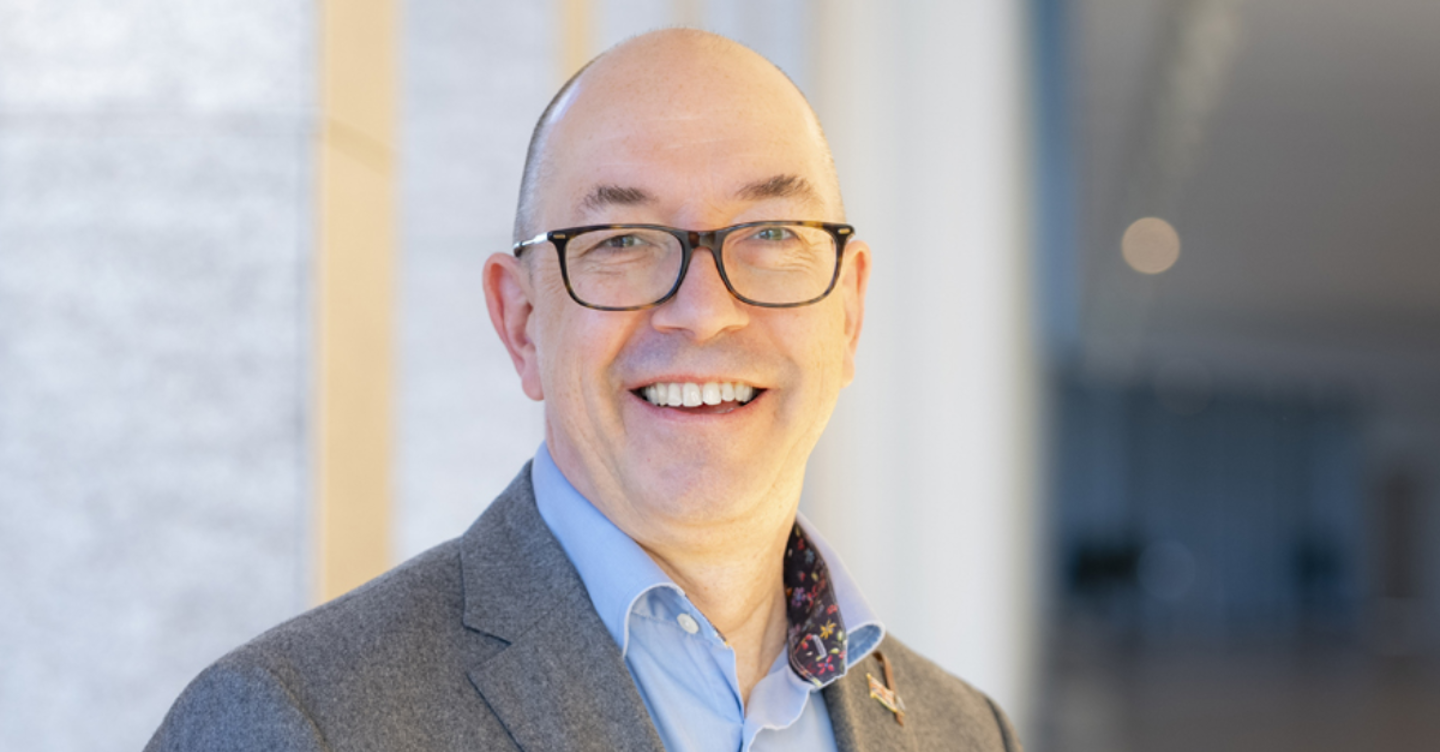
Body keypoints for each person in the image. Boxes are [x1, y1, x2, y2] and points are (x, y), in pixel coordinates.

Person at [146, 29, 1022, 752]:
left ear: (848, 311)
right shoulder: (292, 723)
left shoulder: (965, 732)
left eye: (769, 233)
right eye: (621, 241)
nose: (703, 313)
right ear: (522, 320)